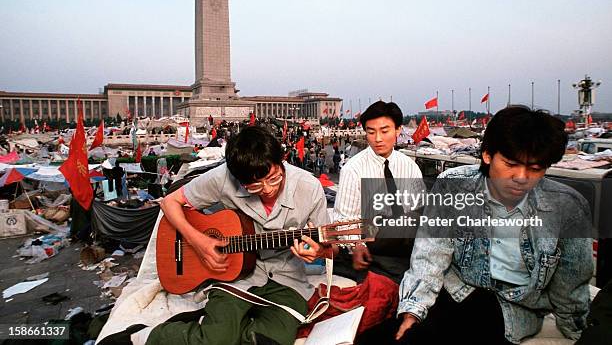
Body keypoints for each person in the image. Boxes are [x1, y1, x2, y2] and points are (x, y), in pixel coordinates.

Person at [379, 106, 592, 345]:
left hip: (514, 308)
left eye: (535, 169)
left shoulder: (568, 207)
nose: (521, 177)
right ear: (488, 155)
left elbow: (571, 285)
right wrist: (413, 310)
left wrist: (575, 331)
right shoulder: (453, 185)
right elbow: (431, 254)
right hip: (456, 288)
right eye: (510, 164)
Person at [146, 126, 334, 345]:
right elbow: (170, 203)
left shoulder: (309, 188)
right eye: (254, 186)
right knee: (215, 340)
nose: (267, 189)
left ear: (281, 161)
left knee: (272, 340)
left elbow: (330, 245)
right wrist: (198, 242)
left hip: (287, 280)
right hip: (235, 277)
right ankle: (154, 336)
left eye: (274, 178)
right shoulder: (223, 177)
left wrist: (321, 251)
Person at [332, 101, 423, 284]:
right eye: (371, 132)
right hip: (371, 248)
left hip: (407, 248)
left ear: (398, 130)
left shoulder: (410, 167)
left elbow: (419, 212)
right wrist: (357, 245)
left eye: (384, 131)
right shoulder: (353, 169)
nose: (377, 139)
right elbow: (343, 219)